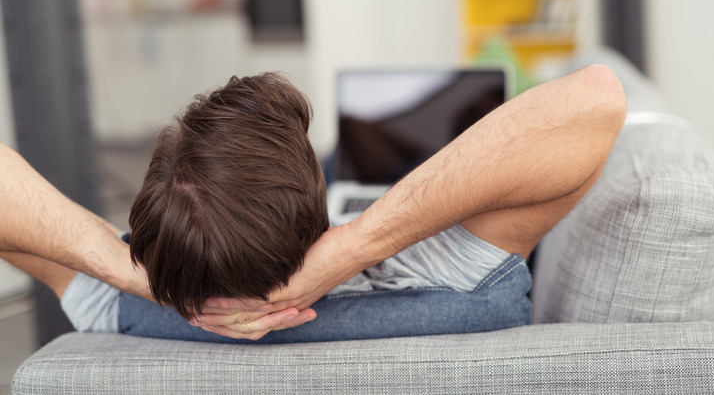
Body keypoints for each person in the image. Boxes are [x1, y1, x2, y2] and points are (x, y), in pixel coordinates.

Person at [0, 64, 627, 342]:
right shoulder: (450, 286)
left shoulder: (128, 316)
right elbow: (597, 99)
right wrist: (353, 248)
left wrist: (130, 274)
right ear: (314, 202)